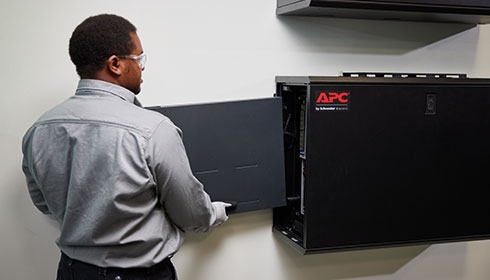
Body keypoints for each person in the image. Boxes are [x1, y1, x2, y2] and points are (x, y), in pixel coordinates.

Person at [21, 13, 231, 280]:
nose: (142, 67)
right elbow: (190, 214)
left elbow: (45, 204)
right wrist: (216, 212)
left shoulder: (39, 130)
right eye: (139, 58)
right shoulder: (152, 130)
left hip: (71, 272)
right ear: (115, 64)